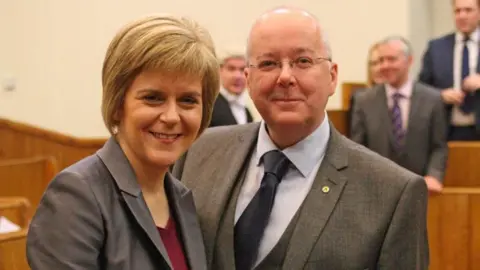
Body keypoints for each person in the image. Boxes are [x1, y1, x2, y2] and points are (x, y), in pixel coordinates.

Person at [173, 7, 429, 270]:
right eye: (268, 63)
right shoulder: (199, 151)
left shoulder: (392, 193)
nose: (285, 77)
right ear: (248, 80)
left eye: (303, 61)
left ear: (332, 77)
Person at [26, 14, 220, 270]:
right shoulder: (76, 196)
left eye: (188, 100)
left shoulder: (183, 197)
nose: (172, 117)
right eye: (153, 98)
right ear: (118, 105)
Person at [350, 36, 447, 193]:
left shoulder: (433, 99)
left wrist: (434, 176)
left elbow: (439, 146)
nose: (385, 65)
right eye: (381, 60)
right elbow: (358, 146)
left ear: (409, 60)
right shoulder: (363, 100)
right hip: (377, 187)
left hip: (420, 188)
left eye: (391, 59)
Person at [418, 0, 480, 140]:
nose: (462, 15)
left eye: (468, 10)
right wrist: (440, 95)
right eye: (457, 11)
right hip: (447, 129)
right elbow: (421, 88)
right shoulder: (436, 47)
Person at [209, 49, 254, 127]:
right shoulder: (209, 106)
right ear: (220, 71)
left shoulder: (247, 113)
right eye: (231, 69)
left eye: (242, 69)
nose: (237, 76)